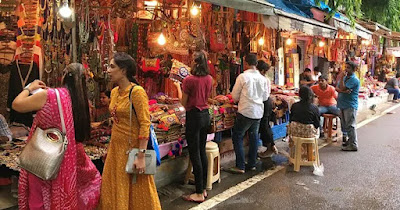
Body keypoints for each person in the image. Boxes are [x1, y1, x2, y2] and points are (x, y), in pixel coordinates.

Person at [12, 63, 101, 209]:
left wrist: (30, 88)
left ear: (64, 76)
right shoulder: (83, 102)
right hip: (72, 157)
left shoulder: (50, 95)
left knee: (39, 199)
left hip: (45, 156)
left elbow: (16, 104)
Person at [100, 52, 161, 209]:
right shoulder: (114, 92)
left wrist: (141, 156)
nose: (108, 70)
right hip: (115, 149)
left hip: (132, 150)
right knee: (115, 188)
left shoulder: (137, 92)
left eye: (112, 66)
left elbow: (144, 123)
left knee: (138, 191)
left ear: (123, 70)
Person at [174, 50, 212, 203]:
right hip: (205, 116)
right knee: (201, 150)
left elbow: (183, 103)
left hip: (194, 117)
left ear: (195, 63)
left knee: (194, 152)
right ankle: (203, 188)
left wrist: (177, 87)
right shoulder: (209, 79)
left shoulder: (189, 80)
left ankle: (198, 192)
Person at [229, 54, 269, 174]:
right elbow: (265, 97)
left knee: (237, 136)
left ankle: (240, 165)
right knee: (253, 136)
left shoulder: (243, 77)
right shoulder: (263, 79)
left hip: (246, 111)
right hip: (257, 112)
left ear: (245, 63)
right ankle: (252, 163)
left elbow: (234, 96)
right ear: (256, 64)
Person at [336, 61, 360, 151]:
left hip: (350, 105)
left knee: (350, 125)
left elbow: (341, 87)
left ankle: (353, 144)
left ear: (354, 70)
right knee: (345, 125)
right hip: (342, 104)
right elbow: (337, 88)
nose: (346, 69)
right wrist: (343, 91)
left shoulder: (354, 80)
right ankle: (350, 141)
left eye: (348, 68)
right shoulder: (346, 78)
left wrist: (341, 78)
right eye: (345, 67)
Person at [256, 60, 277, 158]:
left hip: (263, 103)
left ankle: (271, 146)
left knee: (264, 125)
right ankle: (270, 145)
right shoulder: (265, 79)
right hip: (266, 102)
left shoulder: (260, 79)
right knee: (265, 125)